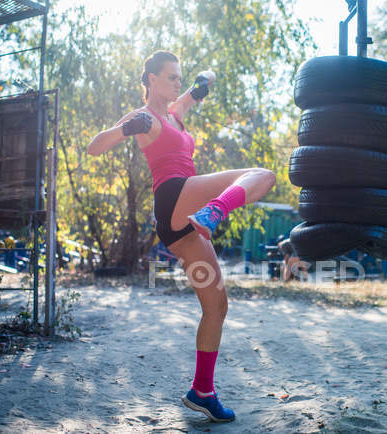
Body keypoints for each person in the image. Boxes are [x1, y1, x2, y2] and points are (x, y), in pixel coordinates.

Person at [87, 50, 275, 423]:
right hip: (175, 197)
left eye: (179, 77)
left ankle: (202, 390)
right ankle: (216, 211)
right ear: (151, 79)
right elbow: (95, 146)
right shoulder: (146, 118)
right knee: (262, 175)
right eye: (170, 77)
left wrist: (201, 81)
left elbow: (206, 78)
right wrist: (127, 127)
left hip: (183, 221)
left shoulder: (174, 114)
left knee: (217, 305)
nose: (176, 83)